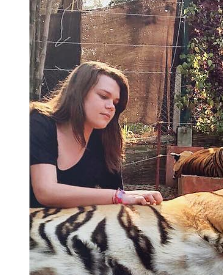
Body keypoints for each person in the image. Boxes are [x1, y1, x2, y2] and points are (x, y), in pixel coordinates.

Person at [30, 61, 163, 208]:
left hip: (70, 226)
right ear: (79, 93)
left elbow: (117, 195)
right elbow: (45, 192)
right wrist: (117, 196)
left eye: (115, 102)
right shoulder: (39, 122)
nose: (111, 106)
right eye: (103, 96)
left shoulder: (104, 141)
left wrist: (134, 196)